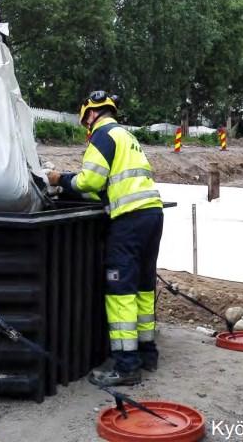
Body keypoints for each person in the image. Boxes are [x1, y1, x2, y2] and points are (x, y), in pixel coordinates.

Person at [46, 91, 163, 385]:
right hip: (152, 214)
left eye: (85, 118)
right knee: (143, 287)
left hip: (129, 220)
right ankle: (148, 353)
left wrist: (60, 180)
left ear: (90, 114)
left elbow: (91, 181)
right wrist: (73, 184)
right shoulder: (126, 137)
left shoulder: (102, 135)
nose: (86, 122)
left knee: (120, 290)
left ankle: (126, 367)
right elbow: (106, 185)